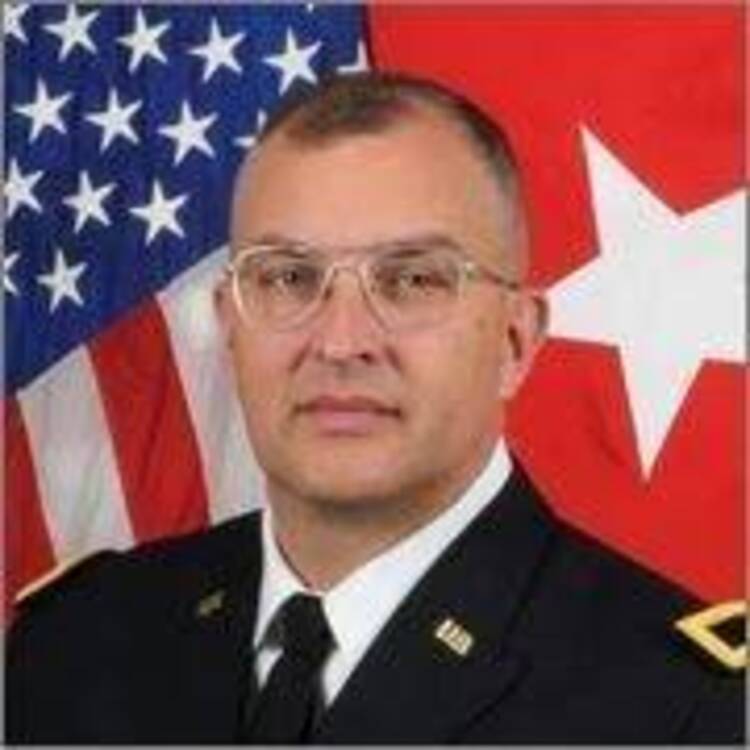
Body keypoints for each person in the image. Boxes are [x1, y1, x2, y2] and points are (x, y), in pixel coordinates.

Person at [6, 72, 745, 745]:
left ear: (515, 340)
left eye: (413, 280)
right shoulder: (76, 645)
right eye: (289, 277)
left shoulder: (687, 711)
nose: (340, 341)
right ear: (230, 328)